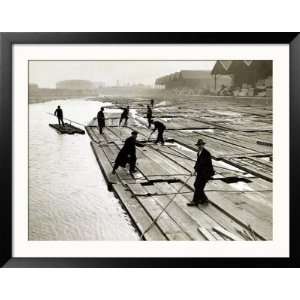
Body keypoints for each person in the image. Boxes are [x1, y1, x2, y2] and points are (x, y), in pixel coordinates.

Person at [187, 139, 214, 206]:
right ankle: (204, 199)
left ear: (203, 145)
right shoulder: (199, 152)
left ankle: (195, 201)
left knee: (199, 186)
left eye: (201, 145)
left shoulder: (206, 153)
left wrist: (195, 170)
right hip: (201, 172)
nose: (199, 146)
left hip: (206, 173)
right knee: (197, 185)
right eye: (198, 145)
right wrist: (195, 169)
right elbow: (198, 162)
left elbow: (202, 163)